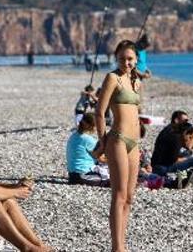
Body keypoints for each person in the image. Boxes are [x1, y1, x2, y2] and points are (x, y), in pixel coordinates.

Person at [94, 39, 143, 252]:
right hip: (118, 139)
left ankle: (122, 244)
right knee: (119, 194)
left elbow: (136, 113)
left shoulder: (136, 82)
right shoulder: (112, 78)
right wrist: (102, 141)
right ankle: (117, 247)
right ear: (116, 58)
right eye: (122, 58)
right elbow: (99, 112)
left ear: (136, 60)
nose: (126, 62)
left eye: (130, 58)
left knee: (130, 197)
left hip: (135, 143)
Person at [66, 113, 107, 185]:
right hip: (83, 175)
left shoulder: (74, 135)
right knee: (112, 180)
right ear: (89, 125)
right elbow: (101, 158)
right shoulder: (88, 140)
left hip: (72, 174)